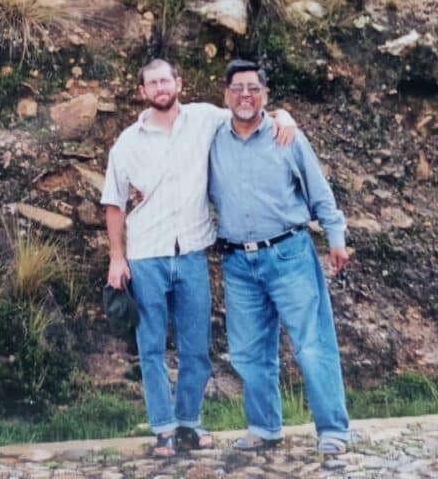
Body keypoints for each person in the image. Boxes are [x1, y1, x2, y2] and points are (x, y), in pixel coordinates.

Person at [101, 58, 296, 458]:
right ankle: (163, 430)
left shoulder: (205, 119)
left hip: (191, 253)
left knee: (197, 349)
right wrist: (117, 258)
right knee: (151, 347)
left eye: (165, 80)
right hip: (146, 255)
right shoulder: (127, 142)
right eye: (152, 83)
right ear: (142, 91)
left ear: (179, 83)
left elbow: (247, 111)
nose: (160, 88)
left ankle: (188, 424)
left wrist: (282, 115)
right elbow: (114, 203)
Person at [208, 59, 352, 457]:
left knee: (312, 344)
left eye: (254, 89)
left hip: (289, 254)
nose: (245, 96)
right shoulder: (211, 139)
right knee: (248, 352)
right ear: (226, 95)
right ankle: (264, 428)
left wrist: (336, 237)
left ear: (265, 95)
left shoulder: (286, 136)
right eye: (238, 88)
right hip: (238, 263)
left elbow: (319, 192)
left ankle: (333, 430)